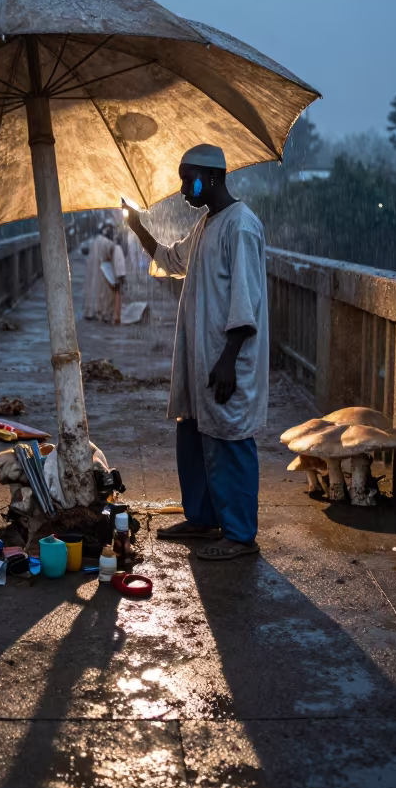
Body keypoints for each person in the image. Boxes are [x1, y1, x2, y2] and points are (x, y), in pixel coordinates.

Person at [123, 144, 268, 559]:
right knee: (193, 432)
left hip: (226, 357)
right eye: (183, 179)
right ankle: (203, 518)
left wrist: (228, 359)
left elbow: (246, 298)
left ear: (214, 176)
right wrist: (136, 225)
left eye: (190, 179)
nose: (184, 188)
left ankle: (240, 535)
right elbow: (171, 260)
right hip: (199, 354)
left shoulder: (241, 225)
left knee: (230, 438)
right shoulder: (208, 224)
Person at [82, 220, 126, 323]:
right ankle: (103, 314)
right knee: (104, 297)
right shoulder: (109, 244)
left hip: (94, 274)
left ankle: (92, 311)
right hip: (103, 275)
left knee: (94, 293)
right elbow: (118, 264)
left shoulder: (95, 241)